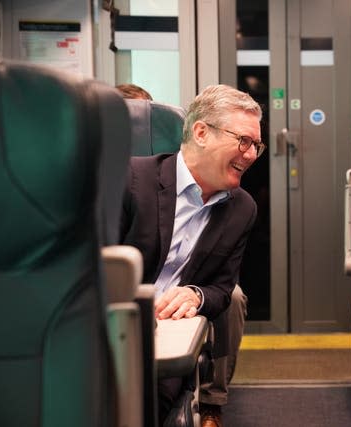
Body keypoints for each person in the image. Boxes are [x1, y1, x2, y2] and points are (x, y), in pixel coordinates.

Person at [119, 84, 264, 427]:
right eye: (243, 141)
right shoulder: (131, 180)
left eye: (256, 145)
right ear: (201, 132)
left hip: (175, 331)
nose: (251, 154)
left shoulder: (242, 208)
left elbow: (223, 289)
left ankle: (211, 405)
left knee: (154, 406)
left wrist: (196, 295)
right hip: (115, 326)